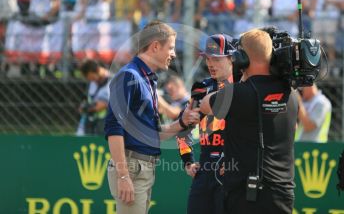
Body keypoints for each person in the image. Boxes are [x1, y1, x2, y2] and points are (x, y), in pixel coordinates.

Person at [104, 20, 200, 214]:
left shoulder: (146, 79)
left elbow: (152, 134)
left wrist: (182, 122)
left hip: (141, 169)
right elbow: (114, 128)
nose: (173, 54)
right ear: (155, 46)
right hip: (132, 169)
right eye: (170, 48)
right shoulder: (129, 76)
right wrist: (123, 176)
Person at [200, 29, 298, 214]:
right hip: (283, 193)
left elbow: (205, 104)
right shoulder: (291, 93)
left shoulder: (236, 93)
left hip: (246, 194)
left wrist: (239, 77)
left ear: (242, 58)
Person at [177, 34, 235, 214]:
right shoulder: (201, 88)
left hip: (233, 170)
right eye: (208, 58)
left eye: (216, 59)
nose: (210, 64)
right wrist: (188, 162)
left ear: (231, 58)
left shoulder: (244, 87)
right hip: (204, 170)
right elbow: (183, 129)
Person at [78, 60, 110, 136]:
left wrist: (87, 108)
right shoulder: (92, 83)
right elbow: (89, 99)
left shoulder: (112, 80)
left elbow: (103, 104)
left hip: (106, 121)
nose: (91, 80)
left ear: (97, 70)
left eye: (92, 77)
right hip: (91, 120)